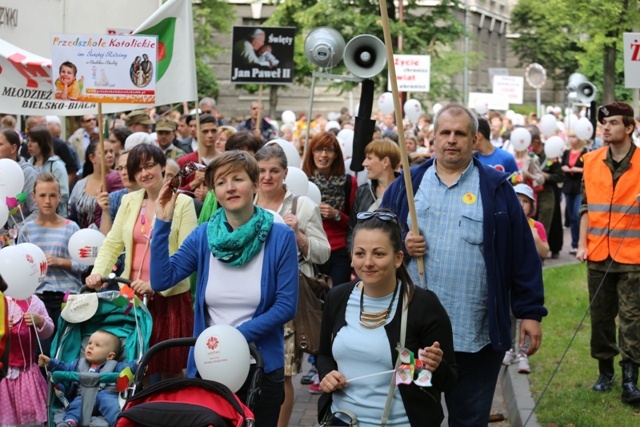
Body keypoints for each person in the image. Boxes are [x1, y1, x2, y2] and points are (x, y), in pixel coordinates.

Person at [381, 104, 547, 426]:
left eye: (460, 133)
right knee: (415, 417)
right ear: (434, 138)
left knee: (469, 420)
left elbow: (522, 256)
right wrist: (400, 242)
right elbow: (375, 238)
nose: (452, 140)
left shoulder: (497, 190)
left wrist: (530, 312)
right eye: (445, 133)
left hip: (476, 338)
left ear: (475, 140)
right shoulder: (407, 185)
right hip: (412, 338)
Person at [150, 151, 299, 426]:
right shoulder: (203, 235)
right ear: (214, 192)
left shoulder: (281, 237)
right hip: (210, 365)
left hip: (261, 367)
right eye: (220, 182)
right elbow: (161, 280)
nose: (229, 187)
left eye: (238, 179)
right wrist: (162, 221)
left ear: (255, 185)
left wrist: (233, 339)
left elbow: (285, 306)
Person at [317, 210, 457, 427]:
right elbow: (324, 354)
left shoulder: (422, 305)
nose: (368, 262)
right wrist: (327, 375)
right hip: (342, 420)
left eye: (379, 254)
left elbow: (448, 381)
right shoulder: (338, 297)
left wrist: (432, 367)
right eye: (360, 253)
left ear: (398, 258)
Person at [86, 144, 196, 382]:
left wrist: (156, 285)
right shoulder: (129, 201)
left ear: (162, 166)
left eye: (149, 166)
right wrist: (97, 274)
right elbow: (113, 243)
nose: (144, 173)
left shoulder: (183, 203)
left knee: (170, 369)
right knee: (136, 367)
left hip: (169, 298)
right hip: (132, 297)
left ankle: (170, 416)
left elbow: (188, 253)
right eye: (138, 169)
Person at [254, 145, 331, 427]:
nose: (267, 177)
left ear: (285, 173)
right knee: (250, 368)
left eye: (274, 170)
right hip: (249, 299)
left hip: (285, 300)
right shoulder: (244, 203)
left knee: (282, 373)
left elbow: (324, 253)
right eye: (261, 171)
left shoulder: (302, 206)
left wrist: (298, 234)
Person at [577, 102, 640, 405]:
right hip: (599, 253)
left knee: (632, 319)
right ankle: (605, 372)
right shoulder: (589, 161)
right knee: (601, 318)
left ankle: (630, 378)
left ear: (629, 128)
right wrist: (581, 244)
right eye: (604, 122)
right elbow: (586, 207)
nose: (606, 127)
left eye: (613, 122)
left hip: (634, 255)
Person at [17, 172, 84, 356]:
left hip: (68, 297)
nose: (47, 201)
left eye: (52, 195)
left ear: (59, 197)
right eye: (42, 195)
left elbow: (84, 264)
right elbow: (20, 268)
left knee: (67, 352)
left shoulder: (71, 227)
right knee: (42, 353)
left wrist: (60, 262)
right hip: (39, 300)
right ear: (34, 197)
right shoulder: (27, 230)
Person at [38, 330, 138, 427]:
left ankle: (119, 422)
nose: (90, 346)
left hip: (105, 394)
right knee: (76, 404)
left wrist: (136, 365)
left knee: (111, 405)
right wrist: (50, 363)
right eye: (89, 343)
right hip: (84, 396)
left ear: (110, 356)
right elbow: (64, 367)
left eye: (97, 345)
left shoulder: (115, 366)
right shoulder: (79, 364)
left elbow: (128, 368)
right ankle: (70, 422)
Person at [503, 184, 549, 373]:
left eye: (525, 202)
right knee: (509, 315)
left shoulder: (536, 226)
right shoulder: (506, 223)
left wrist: (535, 237)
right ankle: (509, 348)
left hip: (528, 282)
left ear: (532, 206)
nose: (521, 205)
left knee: (525, 317)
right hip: (509, 279)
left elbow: (545, 252)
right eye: (517, 200)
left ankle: (523, 352)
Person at [302, 131, 357, 287]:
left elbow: (355, 223)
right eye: (318, 149)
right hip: (310, 250)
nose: (324, 155)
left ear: (336, 155)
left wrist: (336, 215)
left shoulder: (348, 182)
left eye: (329, 150)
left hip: (339, 252)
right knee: (311, 304)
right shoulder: (303, 182)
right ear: (311, 153)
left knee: (337, 301)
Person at [0, 289, 54, 427]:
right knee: (6, 417)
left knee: (31, 417)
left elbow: (48, 331)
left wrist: (41, 321)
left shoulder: (35, 302)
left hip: (27, 373)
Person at [348, 139, 401, 248]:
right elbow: (352, 229)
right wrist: (354, 254)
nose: (364, 163)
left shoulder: (407, 191)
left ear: (385, 162)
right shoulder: (363, 191)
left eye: (369, 158)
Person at [528, 125, 564, 258]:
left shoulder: (550, 154)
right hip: (532, 192)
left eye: (530, 143)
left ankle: (547, 250)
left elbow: (560, 176)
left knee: (546, 221)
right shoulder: (529, 155)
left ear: (536, 143)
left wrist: (546, 176)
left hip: (547, 192)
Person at [69, 139, 122, 229]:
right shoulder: (80, 185)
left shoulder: (120, 179)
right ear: (92, 158)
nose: (110, 155)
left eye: (111, 151)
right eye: (104, 152)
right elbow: (73, 215)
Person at [26, 125, 70, 217]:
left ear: (43, 143)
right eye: (28, 140)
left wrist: (45, 200)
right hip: (32, 217)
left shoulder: (56, 166)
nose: (29, 144)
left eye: (33, 141)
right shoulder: (28, 164)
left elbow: (64, 194)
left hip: (55, 217)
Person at [0, 129, 38, 228]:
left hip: (21, 236)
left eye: (0, 144)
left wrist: (16, 231)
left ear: (13, 148)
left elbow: (38, 211)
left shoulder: (28, 173)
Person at [561, 130, 587, 255]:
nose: (572, 139)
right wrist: (564, 168)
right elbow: (562, 165)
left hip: (579, 186)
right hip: (568, 186)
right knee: (571, 216)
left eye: (574, 137)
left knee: (577, 214)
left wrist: (578, 169)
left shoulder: (585, 152)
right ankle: (574, 243)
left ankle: (581, 241)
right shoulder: (566, 152)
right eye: (570, 137)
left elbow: (589, 168)